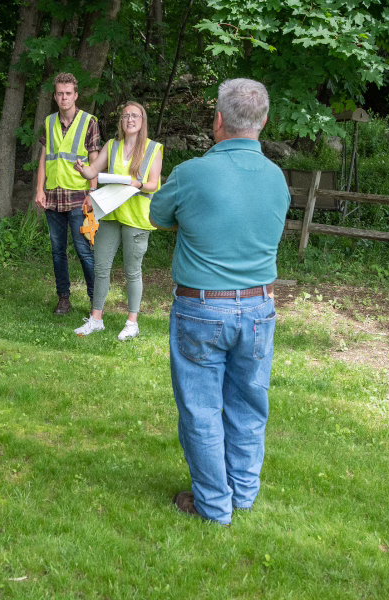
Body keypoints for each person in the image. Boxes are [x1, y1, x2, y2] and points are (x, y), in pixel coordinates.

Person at [149, 79, 291, 526]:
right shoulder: (277, 177)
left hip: (202, 307)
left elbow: (157, 215)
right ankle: (243, 494)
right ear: (263, 121)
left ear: (218, 121)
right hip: (259, 306)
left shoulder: (192, 172)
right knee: (250, 405)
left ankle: (214, 504)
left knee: (201, 408)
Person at [72, 101, 163, 340]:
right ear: (121, 122)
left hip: (136, 218)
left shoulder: (153, 149)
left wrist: (139, 184)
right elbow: (93, 173)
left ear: (142, 121)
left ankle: (132, 323)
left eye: (134, 116)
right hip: (110, 213)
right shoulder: (112, 146)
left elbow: (154, 184)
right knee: (101, 267)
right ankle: (96, 319)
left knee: (132, 271)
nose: (129, 120)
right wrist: (83, 169)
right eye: (125, 116)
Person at [35, 72, 101, 314]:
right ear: (55, 96)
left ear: (76, 95)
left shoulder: (88, 121)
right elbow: (45, 157)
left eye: (68, 94)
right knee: (57, 251)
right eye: (60, 94)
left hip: (78, 197)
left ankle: (97, 299)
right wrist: (39, 189)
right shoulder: (49, 121)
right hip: (53, 196)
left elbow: (95, 160)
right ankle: (64, 298)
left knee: (84, 249)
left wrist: (92, 193)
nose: (64, 98)